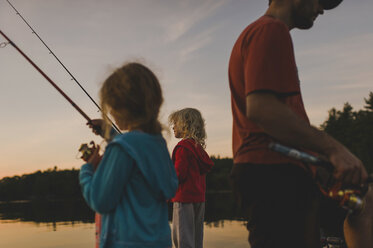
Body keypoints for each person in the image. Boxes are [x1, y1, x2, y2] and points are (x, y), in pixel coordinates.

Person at [228, 0, 373, 248]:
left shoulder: (269, 32)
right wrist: (335, 150)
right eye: (320, 1)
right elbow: (262, 109)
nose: (321, 10)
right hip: (273, 176)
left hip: (292, 172)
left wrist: (319, 164)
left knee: (364, 201)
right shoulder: (270, 29)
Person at [79, 62, 178, 248]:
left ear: (122, 107)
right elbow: (168, 187)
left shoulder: (121, 148)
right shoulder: (157, 143)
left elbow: (100, 200)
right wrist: (110, 134)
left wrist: (87, 170)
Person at [168, 108, 214, 248]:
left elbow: (178, 175)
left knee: (183, 240)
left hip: (184, 200)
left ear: (185, 124)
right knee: (196, 239)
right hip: (199, 200)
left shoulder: (183, 147)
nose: (173, 127)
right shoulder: (198, 148)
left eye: (175, 123)